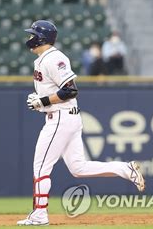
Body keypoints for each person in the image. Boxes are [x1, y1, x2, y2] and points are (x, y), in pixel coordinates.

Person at [17, 20, 145, 226]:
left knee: (41, 167)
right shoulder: (44, 59)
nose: (29, 38)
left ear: (41, 38)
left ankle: (40, 215)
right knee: (78, 168)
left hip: (60, 118)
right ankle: (125, 169)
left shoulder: (54, 58)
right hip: (66, 117)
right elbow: (58, 91)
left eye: (32, 34)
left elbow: (70, 90)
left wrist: (43, 101)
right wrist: (42, 101)